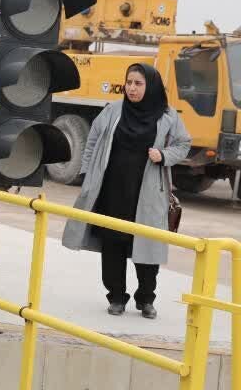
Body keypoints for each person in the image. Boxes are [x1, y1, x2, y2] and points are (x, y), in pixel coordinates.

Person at [63, 64, 190, 319]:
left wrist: (164, 155)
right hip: (111, 190)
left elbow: (183, 143)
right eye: (129, 82)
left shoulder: (168, 116)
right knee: (113, 244)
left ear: (151, 86)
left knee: (147, 245)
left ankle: (146, 299)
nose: (132, 88)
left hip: (147, 192)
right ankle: (116, 297)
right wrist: (88, 175)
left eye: (138, 83)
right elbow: (92, 141)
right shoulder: (113, 110)